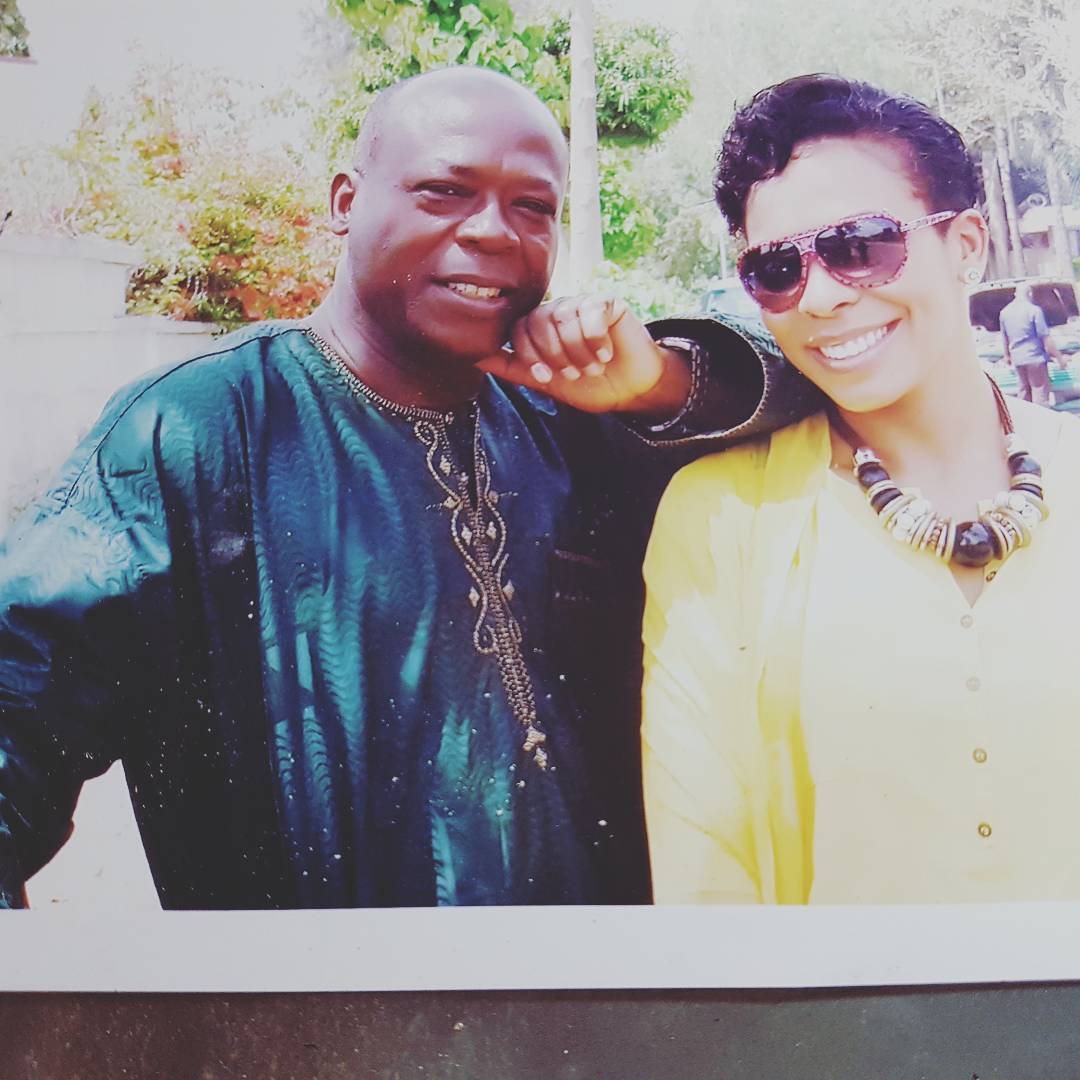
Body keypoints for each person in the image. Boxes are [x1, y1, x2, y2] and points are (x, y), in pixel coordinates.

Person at [0, 67, 812, 910]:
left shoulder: (568, 421)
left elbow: (812, 389)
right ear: (346, 202)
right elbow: (18, 703)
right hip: (329, 990)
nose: (493, 231)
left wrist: (656, 382)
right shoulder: (201, 430)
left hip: (599, 978)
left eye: (533, 207)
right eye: (444, 192)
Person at [642, 74, 1080, 906]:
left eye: (862, 245)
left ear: (967, 244)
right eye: (777, 268)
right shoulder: (723, 518)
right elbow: (706, 881)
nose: (822, 297)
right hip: (832, 1000)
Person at [999, 281, 1065, 406]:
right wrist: (1060, 358)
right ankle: (1041, 417)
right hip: (1035, 358)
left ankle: (1024, 417)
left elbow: (1004, 337)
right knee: (1039, 392)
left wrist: (1007, 356)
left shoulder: (1004, 312)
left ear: (1015, 294)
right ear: (1030, 294)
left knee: (1024, 392)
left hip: (1018, 359)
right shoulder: (1034, 310)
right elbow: (1045, 337)